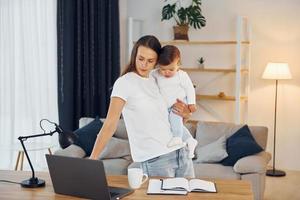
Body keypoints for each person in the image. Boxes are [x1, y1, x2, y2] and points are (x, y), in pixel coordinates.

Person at [90, 35, 195, 178]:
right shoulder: (124, 83)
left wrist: (185, 114)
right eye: (141, 59)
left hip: (182, 153)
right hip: (156, 160)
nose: (144, 65)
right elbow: (110, 124)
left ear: (157, 61)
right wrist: (92, 159)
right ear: (134, 56)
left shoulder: (157, 78)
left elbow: (170, 118)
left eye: (150, 61)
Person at [152, 45, 198, 158]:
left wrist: (192, 103)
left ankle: (177, 137)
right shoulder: (155, 74)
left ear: (179, 64)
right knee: (171, 123)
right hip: (166, 106)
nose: (166, 72)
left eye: (171, 69)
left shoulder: (181, 75)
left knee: (174, 116)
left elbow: (189, 88)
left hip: (179, 103)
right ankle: (189, 140)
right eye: (163, 69)